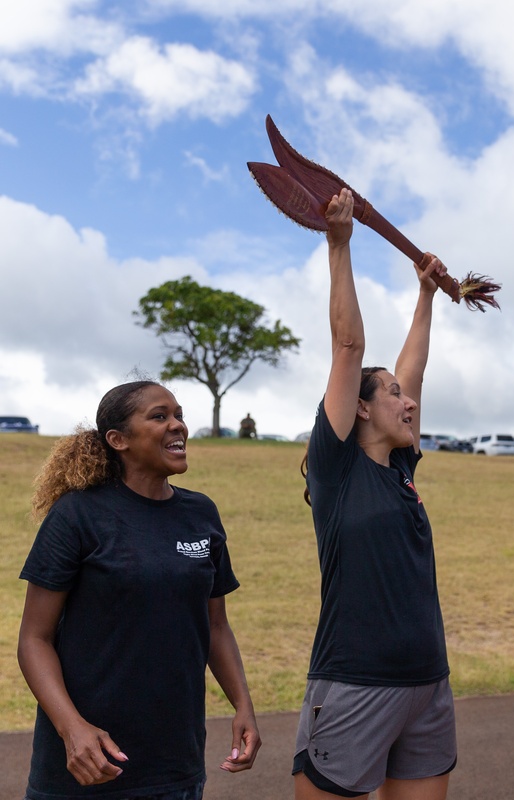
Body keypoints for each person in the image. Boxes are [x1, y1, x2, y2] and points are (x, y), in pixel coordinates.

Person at [17, 380, 260, 800]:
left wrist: (244, 705)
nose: (177, 426)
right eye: (160, 416)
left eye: (179, 415)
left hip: (175, 767)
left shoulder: (200, 513)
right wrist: (72, 729)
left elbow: (215, 625)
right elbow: (33, 640)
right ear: (118, 440)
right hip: (86, 768)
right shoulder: (77, 515)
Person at [292, 188, 455, 800]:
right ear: (358, 408)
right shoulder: (337, 469)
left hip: (427, 684)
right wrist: (339, 246)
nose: (407, 401)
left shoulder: (402, 467)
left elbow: (413, 370)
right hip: (355, 684)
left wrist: (425, 295)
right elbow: (348, 348)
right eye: (389, 395)